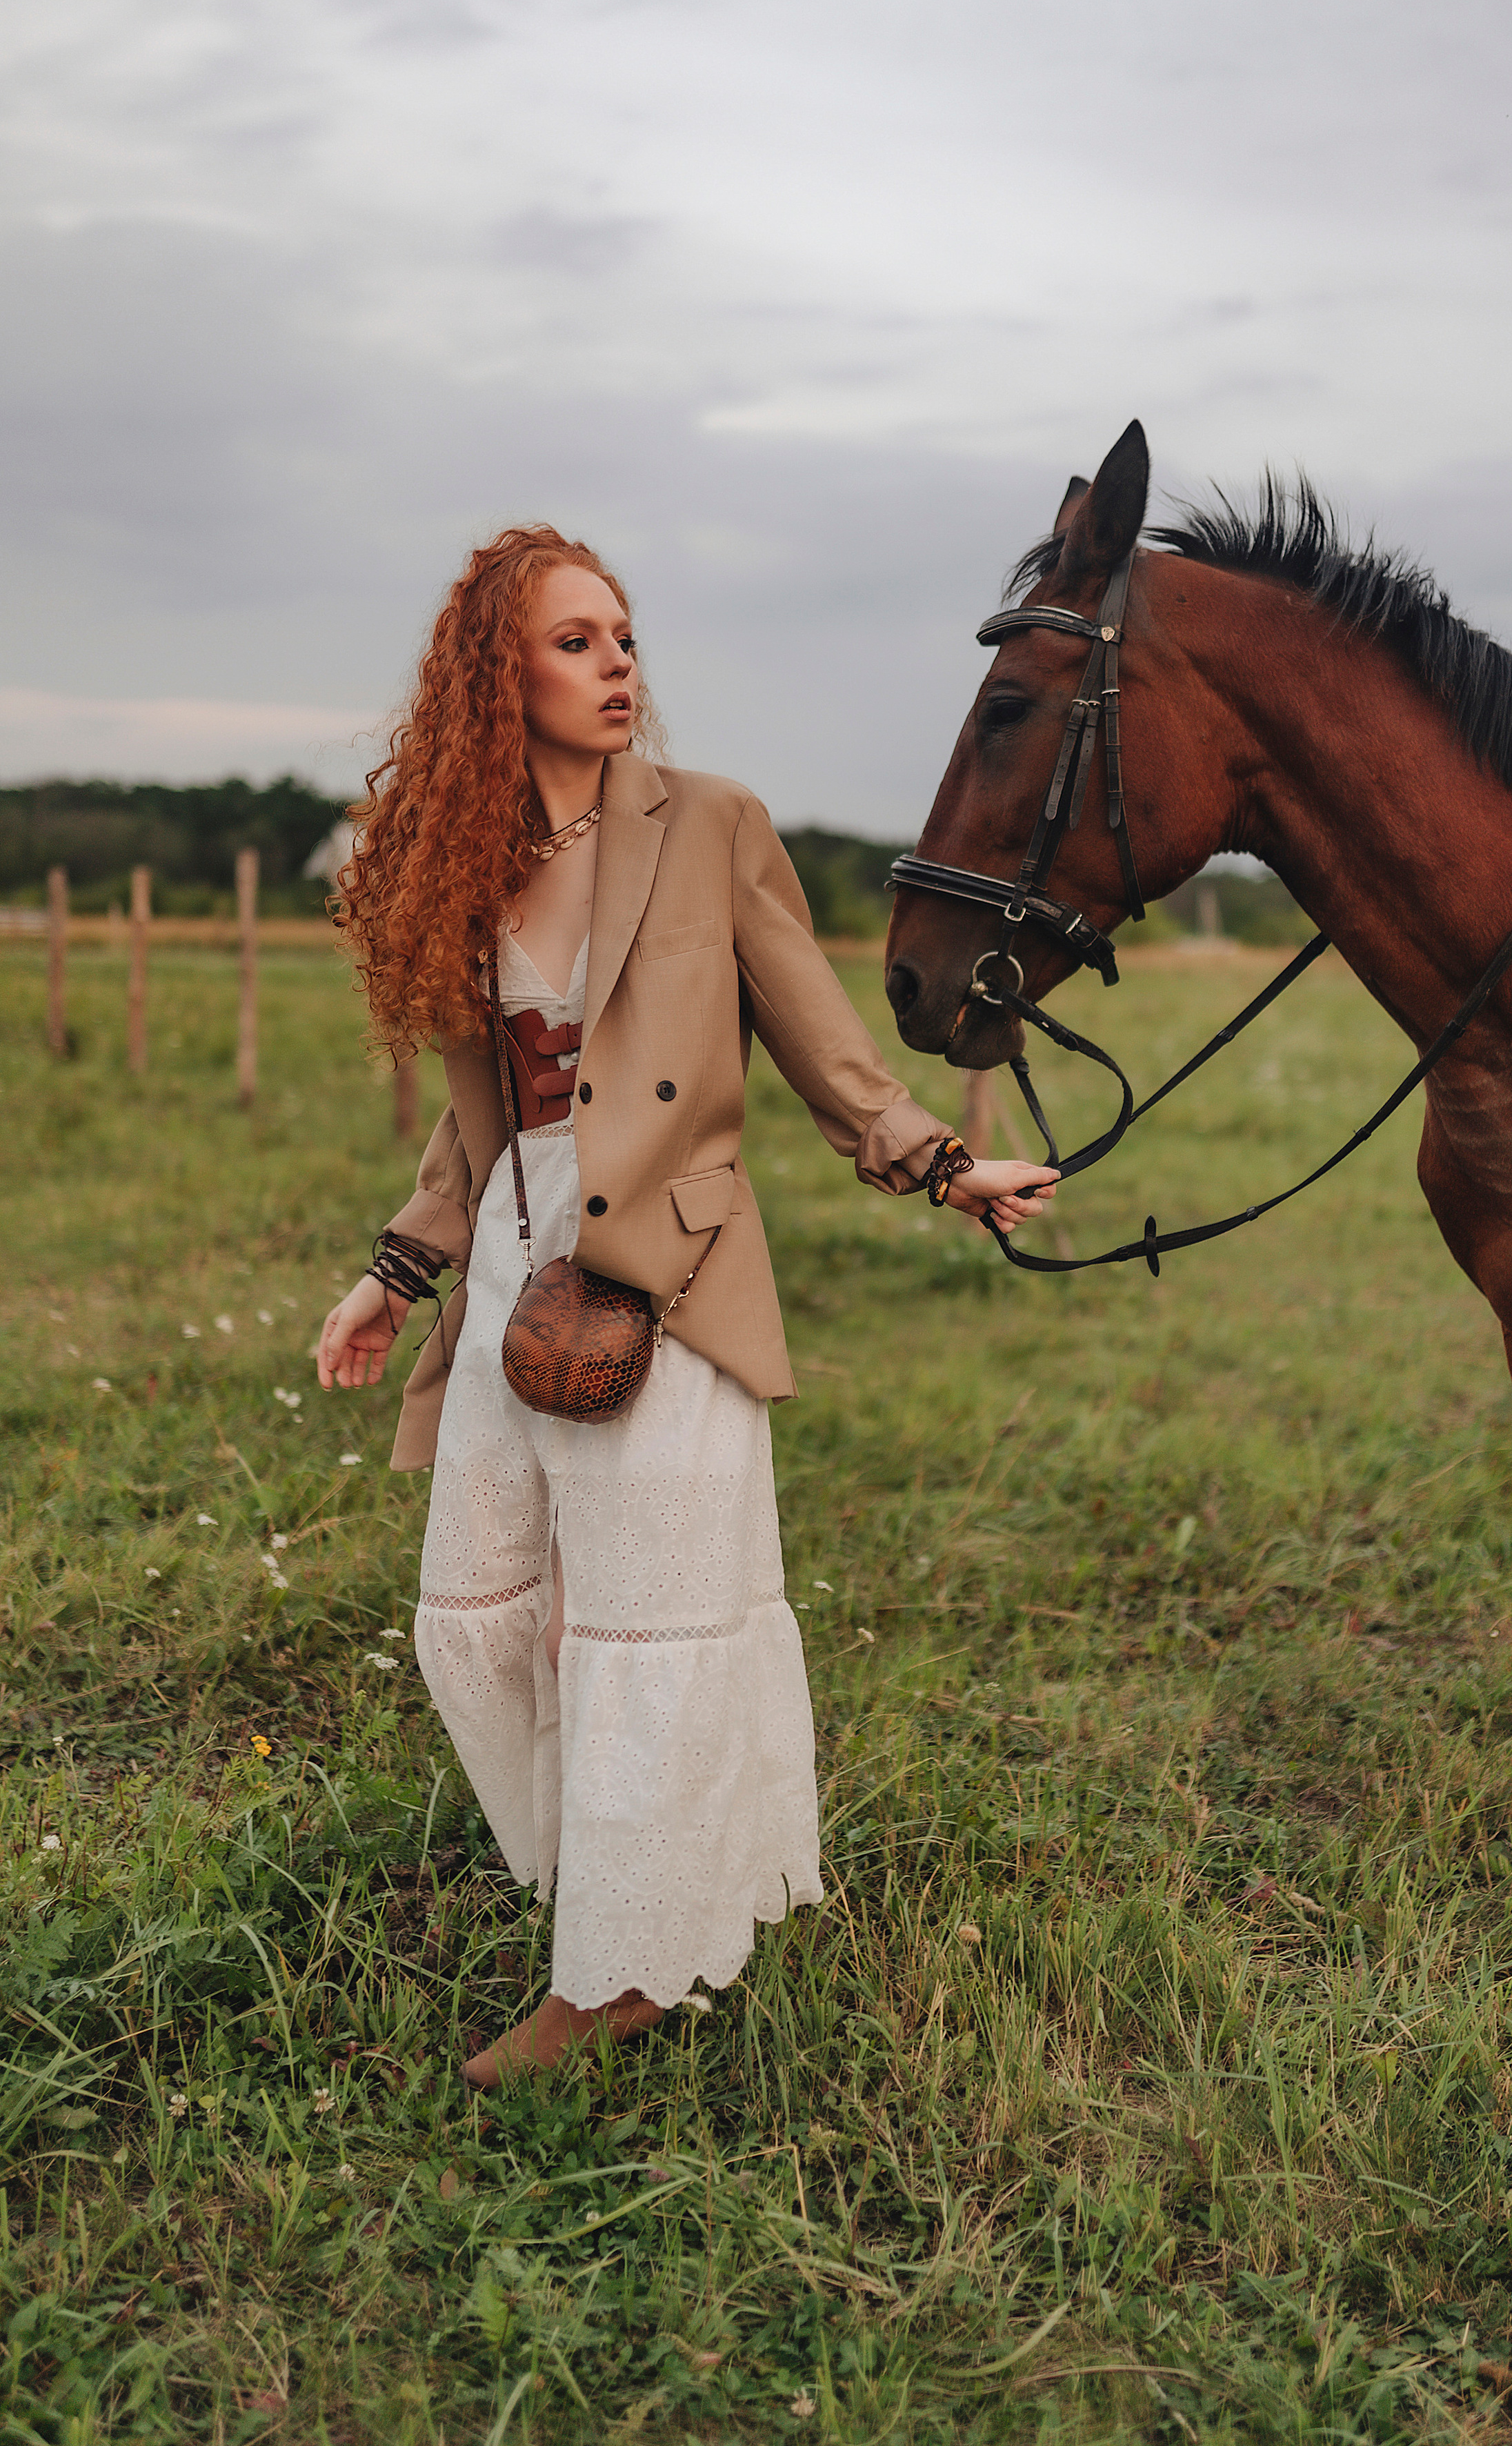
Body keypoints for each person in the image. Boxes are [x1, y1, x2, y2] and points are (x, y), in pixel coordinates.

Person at [316, 526, 1055, 2090]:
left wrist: (934, 1162)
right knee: (486, 1614)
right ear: (493, 676)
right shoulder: (468, 857)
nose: (618, 664)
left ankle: (620, 1977)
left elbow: (818, 1035)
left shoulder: (709, 823)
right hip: (520, 1262)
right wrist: (398, 1272)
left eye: (624, 635)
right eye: (576, 641)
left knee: (643, 1626)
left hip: (667, 1270)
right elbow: (483, 1120)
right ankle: (630, 1878)